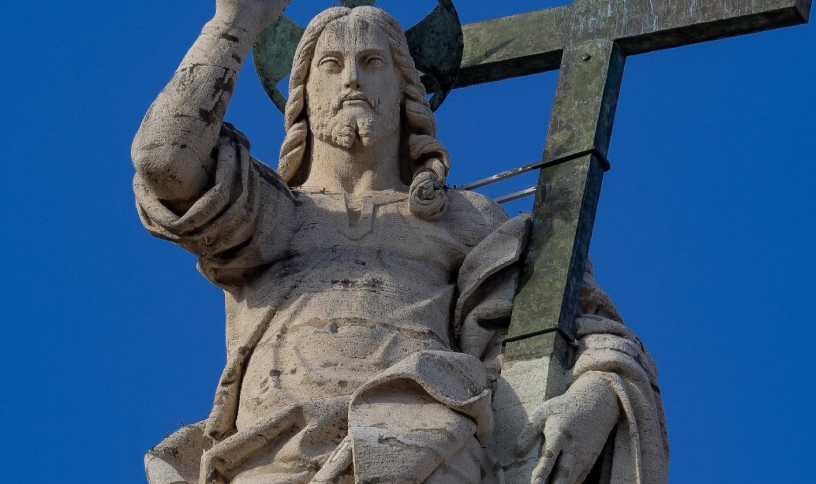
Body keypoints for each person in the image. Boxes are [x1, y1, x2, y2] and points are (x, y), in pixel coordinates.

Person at [132, 2, 668, 483]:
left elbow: (589, 331)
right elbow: (164, 161)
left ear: (404, 89)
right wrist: (234, 22)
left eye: (372, 62)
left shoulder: (464, 218)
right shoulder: (271, 212)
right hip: (270, 458)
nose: (351, 79)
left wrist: (594, 396)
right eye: (331, 65)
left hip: (430, 451)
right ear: (303, 94)